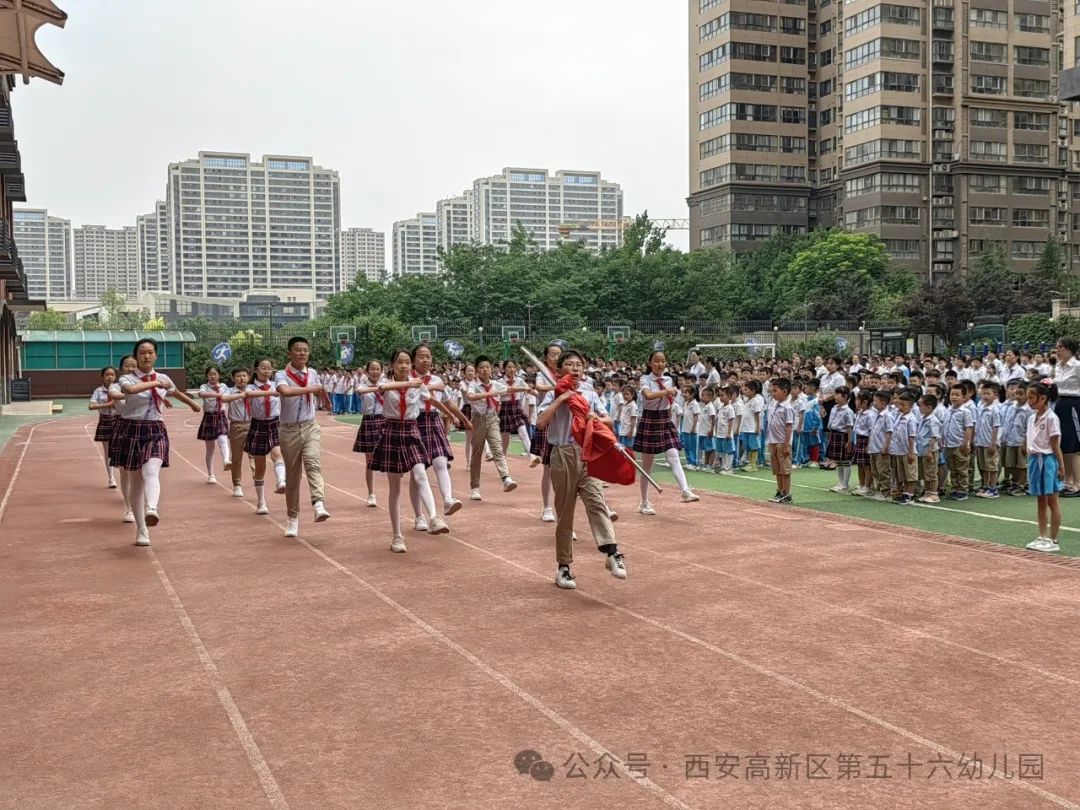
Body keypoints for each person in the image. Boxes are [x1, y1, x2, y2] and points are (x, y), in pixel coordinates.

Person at [535, 349, 625, 590]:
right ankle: (563, 567)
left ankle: (612, 552)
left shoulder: (589, 393)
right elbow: (541, 422)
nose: (575, 368)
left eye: (579, 365)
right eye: (570, 364)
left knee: (597, 501)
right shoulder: (555, 392)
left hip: (587, 453)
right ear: (560, 369)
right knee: (565, 513)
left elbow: (608, 421)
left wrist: (595, 417)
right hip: (562, 453)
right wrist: (560, 400)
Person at [371, 348, 460, 552]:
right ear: (392, 365)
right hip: (392, 432)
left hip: (411, 431)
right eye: (399, 362)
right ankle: (396, 536)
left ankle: (434, 517)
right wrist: (409, 384)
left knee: (420, 474)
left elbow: (432, 400)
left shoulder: (417, 384)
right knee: (395, 488)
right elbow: (382, 387)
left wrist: (453, 416)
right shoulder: (386, 383)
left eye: (407, 363)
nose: (404, 366)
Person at [116, 338, 200, 546]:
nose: (146, 356)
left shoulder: (164, 377)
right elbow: (132, 391)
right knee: (136, 482)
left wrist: (192, 404)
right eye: (142, 352)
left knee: (151, 470)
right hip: (132, 429)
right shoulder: (127, 379)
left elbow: (174, 391)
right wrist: (155, 383)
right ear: (136, 356)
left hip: (155, 428)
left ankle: (152, 508)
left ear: (156, 355)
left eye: (150, 352)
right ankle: (141, 530)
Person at [274, 337, 331, 538]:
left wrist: (324, 397)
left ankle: (318, 503)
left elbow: (323, 397)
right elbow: (285, 391)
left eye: (305, 350)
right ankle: (292, 518)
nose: (302, 353)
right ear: (289, 353)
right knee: (293, 477)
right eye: (298, 350)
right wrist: (311, 389)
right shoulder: (281, 374)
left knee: (313, 463)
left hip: (310, 426)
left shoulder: (313, 373)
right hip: (289, 430)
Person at [410, 344, 471, 527]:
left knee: (440, 461)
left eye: (428, 356)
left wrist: (463, 419)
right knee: (416, 473)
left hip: (433, 420)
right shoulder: (408, 379)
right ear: (413, 360)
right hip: (414, 422)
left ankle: (448, 500)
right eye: (421, 356)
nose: (425, 360)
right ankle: (419, 516)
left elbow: (448, 402)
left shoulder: (437, 379)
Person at [635, 350, 699, 514]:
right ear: (650, 363)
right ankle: (644, 501)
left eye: (663, 361)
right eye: (656, 361)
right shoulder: (645, 379)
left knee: (674, 455)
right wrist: (667, 391)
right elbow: (648, 395)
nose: (660, 364)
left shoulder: (669, 379)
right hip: (649, 419)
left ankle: (685, 490)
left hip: (664, 419)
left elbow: (670, 401)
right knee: (647, 466)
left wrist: (671, 409)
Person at [464, 355, 518, 500]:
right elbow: (471, 397)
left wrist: (525, 388)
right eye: (481, 367)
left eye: (487, 367)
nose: (485, 370)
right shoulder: (473, 384)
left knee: (497, 447)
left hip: (493, 417)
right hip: (478, 419)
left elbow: (510, 389)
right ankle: (475, 487)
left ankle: (506, 478)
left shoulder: (496, 384)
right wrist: (490, 393)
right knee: (477, 454)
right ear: (476, 370)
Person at [1024, 380, 1066, 553]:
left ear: (1043, 398)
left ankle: (1053, 539)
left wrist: (1061, 467)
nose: (1028, 400)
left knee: (1052, 501)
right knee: (1040, 500)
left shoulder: (1051, 418)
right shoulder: (1032, 417)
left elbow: (1055, 445)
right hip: (1035, 460)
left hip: (1047, 460)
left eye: (1031, 397)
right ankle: (1042, 536)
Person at [245, 358, 288, 516]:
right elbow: (249, 394)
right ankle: (261, 501)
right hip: (258, 425)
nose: (266, 371)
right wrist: (274, 392)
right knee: (260, 467)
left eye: (269, 368)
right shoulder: (250, 387)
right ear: (255, 370)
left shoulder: (278, 385)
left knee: (277, 454)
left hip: (275, 424)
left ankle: (281, 481)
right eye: (263, 368)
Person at [353, 359, 386, 507]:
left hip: (384, 421)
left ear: (382, 371)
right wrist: (378, 389)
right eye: (372, 369)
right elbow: (359, 391)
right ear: (367, 371)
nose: (375, 372)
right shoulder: (362, 385)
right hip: (369, 421)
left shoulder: (387, 384)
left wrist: (383, 388)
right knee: (370, 462)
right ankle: (371, 493)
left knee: (389, 457)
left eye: (378, 369)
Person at [1051, 337, 1080, 497]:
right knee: (1065, 446)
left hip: (1074, 404)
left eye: (1059, 347)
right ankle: (1068, 482)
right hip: (1060, 404)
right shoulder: (1058, 366)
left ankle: (1078, 483)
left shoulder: (1077, 366)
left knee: (1074, 446)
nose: (1057, 350)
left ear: (1068, 349)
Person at [196, 365, 232, 484]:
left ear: (219, 375)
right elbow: (201, 394)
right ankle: (211, 474)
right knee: (210, 448)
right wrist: (216, 395)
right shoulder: (204, 386)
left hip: (220, 415)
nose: (213, 376)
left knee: (223, 438)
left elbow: (227, 396)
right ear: (207, 376)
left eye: (215, 374)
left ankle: (226, 460)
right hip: (209, 417)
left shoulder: (223, 386)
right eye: (210, 374)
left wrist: (222, 394)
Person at [223, 367, 252, 498]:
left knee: (256, 455)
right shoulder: (229, 391)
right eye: (239, 376)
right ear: (233, 378)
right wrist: (241, 395)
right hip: (237, 426)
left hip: (253, 424)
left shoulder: (253, 389)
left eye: (244, 376)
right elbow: (224, 398)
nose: (242, 378)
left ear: (249, 377)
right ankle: (237, 484)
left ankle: (257, 478)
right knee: (236, 458)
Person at [89, 366, 120, 489]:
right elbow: (91, 406)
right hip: (105, 420)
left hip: (118, 420)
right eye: (107, 374)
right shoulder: (98, 391)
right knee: (108, 452)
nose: (110, 377)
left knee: (120, 449)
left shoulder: (120, 388)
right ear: (102, 377)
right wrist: (108, 404)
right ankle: (111, 478)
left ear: (115, 376)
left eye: (112, 374)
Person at [884, 391, 918, 505]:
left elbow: (911, 437)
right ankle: (904, 493)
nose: (900, 407)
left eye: (904, 405)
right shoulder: (899, 416)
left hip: (907, 450)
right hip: (898, 450)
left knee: (910, 474)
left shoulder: (911, 418)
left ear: (911, 406)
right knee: (902, 474)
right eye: (899, 404)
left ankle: (910, 495)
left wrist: (911, 452)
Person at [766, 378, 795, 504]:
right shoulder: (774, 405)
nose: (773, 393)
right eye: (772, 391)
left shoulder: (787, 407)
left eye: (775, 391)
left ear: (784, 391)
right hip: (773, 441)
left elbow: (789, 426)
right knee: (777, 469)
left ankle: (786, 493)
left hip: (782, 442)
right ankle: (780, 490)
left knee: (785, 470)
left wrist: (786, 444)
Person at [826, 386, 855, 492]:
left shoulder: (848, 411)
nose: (835, 396)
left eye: (838, 394)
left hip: (843, 436)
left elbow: (849, 427)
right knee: (838, 461)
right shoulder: (834, 408)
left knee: (846, 461)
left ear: (845, 396)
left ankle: (845, 484)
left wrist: (850, 441)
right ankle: (840, 482)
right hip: (835, 434)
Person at [915, 394, 942, 503]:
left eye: (920, 405)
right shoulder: (923, 418)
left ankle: (934, 494)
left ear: (929, 407)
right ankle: (927, 492)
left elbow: (934, 436)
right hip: (922, 450)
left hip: (929, 451)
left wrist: (930, 450)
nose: (919, 408)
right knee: (925, 473)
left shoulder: (933, 420)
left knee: (931, 473)